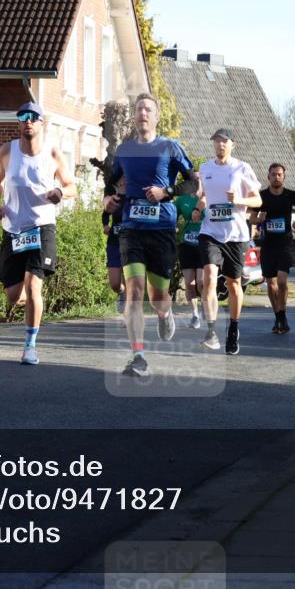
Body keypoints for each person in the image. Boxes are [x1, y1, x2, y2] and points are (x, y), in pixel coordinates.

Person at [103, 93, 198, 377]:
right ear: (134, 117)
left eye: (148, 109)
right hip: (132, 228)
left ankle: (164, 312)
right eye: (139, 109)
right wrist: (108, 200)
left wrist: (166, 192)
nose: (143, 113)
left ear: (156, 117)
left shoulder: (170, 146)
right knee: (133, 292)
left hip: (162, 229)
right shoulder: (125, 150)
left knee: (158, 296)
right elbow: (111, 181)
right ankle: (139, 356)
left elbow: (193, 182)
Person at [0, 102, 77, 365]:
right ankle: (31, 299)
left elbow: (71, 185)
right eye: (23, 117)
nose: (27, 121)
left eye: (33, 117)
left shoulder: (51, 152)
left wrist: (60, 193)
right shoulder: (7, 151)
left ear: (42, 123)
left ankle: (30, 346)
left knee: (33, 284)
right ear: (19, 123)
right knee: (14, 295)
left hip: (42, 227)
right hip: (13, 229)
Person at [195, 129, 262, 354]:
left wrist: (239, 199)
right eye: (217, 141)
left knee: (234, 283)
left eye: (224, 141)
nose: (220, 145)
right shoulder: (205, 168)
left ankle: (233, 328)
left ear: (233, 144)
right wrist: (198, 208)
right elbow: (205, 195)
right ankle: (212, 331)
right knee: (209, 278)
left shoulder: (242, 167)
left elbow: (258, 199)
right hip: (210, 231)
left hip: (235, 234)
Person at [254, 163, 295, 333]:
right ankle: (278, 317)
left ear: (284, 177)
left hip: (286, 244)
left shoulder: (291, 195)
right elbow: (252, 217)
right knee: (271, 283)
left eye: (279, 174)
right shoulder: (262, 197)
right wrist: (258, 219)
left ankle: (282, 315)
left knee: (282, 281)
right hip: (268, 245)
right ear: (268, 177)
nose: (276, 177)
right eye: (273, 174)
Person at [174, 174, 204, 329]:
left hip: (204, 245)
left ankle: (206, 303)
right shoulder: (182, 200)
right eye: (194, 179)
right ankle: (195, 314)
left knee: (201, 281)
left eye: (200, 178)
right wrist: (174, 226)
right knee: (189, 283)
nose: (197, 181)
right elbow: (172, 216)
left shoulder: (208, 198)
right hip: (186, 244)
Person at [102, 177, 126, 317]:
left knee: (131, 278)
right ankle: (122, 292)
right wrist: (106, 225)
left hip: (131, 242)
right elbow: (105, 214)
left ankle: (130, 314)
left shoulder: (135, 192)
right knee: (115, 283)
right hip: (114, 241)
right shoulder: (113, 194)